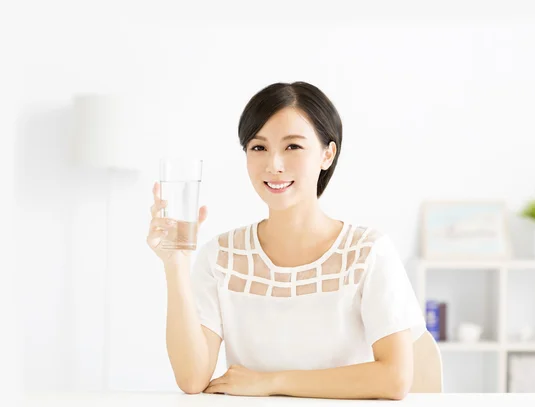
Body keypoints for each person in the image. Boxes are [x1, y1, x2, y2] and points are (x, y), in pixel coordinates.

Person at [146, 81, 426, 400]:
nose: (273, 165)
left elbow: (395, 378)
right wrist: (176, 264)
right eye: (258, 147)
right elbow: (192, 378)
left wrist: (271, 382)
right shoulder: (221, 256)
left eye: (292, 147)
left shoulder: (369, 251)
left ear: (327, 154)